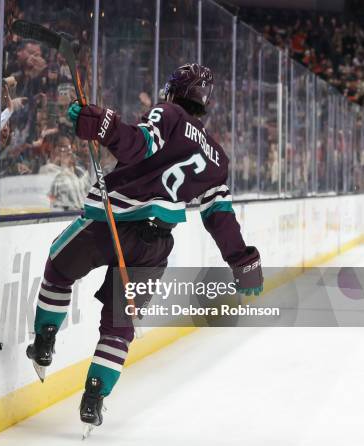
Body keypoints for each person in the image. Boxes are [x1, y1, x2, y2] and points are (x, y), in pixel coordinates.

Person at [25, 64, 264, 430]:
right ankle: (95, 396)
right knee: (119, 324)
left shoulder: (168, 114)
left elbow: (138, 144)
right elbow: (220, 216)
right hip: (155, 245)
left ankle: (44, 338)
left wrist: (104, 124)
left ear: (174, 92)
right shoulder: (218, 159)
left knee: (58, 269)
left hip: (111, 223)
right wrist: (242, 263)